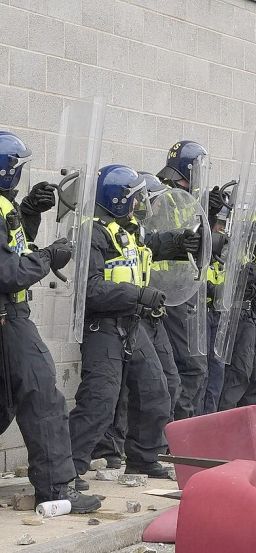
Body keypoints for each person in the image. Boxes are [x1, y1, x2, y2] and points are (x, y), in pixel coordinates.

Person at [70, 164, 196, 489]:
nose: (141, 205)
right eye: (136, 198)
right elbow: (93, 289)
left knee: (156, 391)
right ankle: (66, 470)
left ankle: (143, 458)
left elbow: (152, 244)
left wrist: (182, 241)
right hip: (104, 328)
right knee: (100, 400)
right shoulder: (93, 233)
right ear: (119, 198)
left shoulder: (128, 229)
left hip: (132, 324)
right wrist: (139, 294)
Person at [0, 131, 101, 513]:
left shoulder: (2, 205)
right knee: (44, 397)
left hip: (9, 316)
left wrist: (28, 211)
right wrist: (49, 257)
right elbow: (8, 272)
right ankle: (58, 489)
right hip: (7, 315)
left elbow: (11, 246)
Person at [155, 140, 210, 420]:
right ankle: (181, 430)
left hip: (182, 292)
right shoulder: (164, 197)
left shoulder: (183, 198)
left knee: (183, 367)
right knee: (191, 367)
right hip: (167, 292)